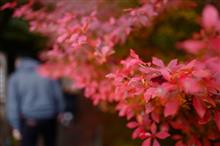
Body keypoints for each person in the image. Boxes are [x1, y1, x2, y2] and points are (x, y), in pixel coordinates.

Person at [6, 56, 65, 146]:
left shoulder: (15, 78)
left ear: (19, 62)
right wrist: (60, 111)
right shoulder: (48, 73)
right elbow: (58, 94)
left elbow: (13, 104)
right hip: (49, 118)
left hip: (29, 120)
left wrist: (16, 126)